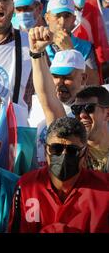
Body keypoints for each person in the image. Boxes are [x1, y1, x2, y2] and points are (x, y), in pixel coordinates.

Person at [28, 25, 109, 172]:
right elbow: (48, 100)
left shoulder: (101, 95)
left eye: (89, 108)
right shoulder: (73, 141)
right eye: (76, 109)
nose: (82, 115)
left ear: (107, 113)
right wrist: (36, 54)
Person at [8, 116, 108, 233]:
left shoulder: (105, 189)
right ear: (46, 150)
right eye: (56, 149)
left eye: (72, 151)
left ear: (84, 154)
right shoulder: (27, 186)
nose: (63, 156)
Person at [32, 49, 88, 167]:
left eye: (66, 77)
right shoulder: (35, 104)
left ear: (83, 78)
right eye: (55, 76)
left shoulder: (90, 112)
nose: (59, 83)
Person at [44, 0, 99, 85]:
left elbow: (94, 83)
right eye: (57, 16)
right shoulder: (38, 43)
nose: (62, 22)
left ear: (73, 19)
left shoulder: (85, 46)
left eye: (67, 16)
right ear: (47, 18)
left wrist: (71, 51)